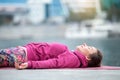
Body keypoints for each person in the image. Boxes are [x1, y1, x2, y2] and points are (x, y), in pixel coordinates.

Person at [0, 42, 103, 69]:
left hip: (22, 56)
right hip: (23, 52)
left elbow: (53, 63)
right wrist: (26, 47)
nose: (85, 44)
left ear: (87, 57)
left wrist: (30, 64)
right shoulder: (73, 54)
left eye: (88, 48)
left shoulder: (74, 59)